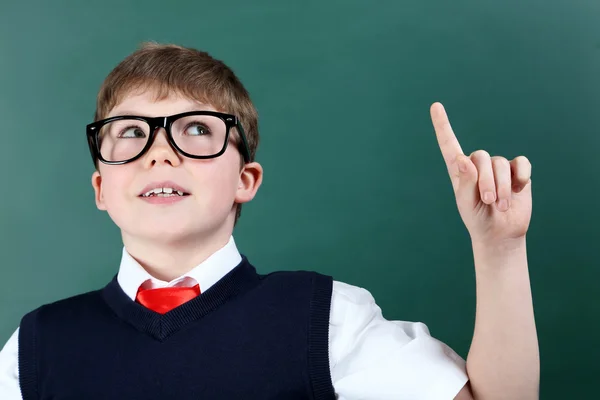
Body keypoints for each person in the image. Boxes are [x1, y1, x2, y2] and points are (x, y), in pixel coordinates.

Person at [0, 43, 539, 399]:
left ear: (246, 180)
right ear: (101, 188)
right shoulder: (35, 346)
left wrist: (499, 250)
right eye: (132, 133)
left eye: (195, 130)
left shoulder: (325, 320)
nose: (158, 153)